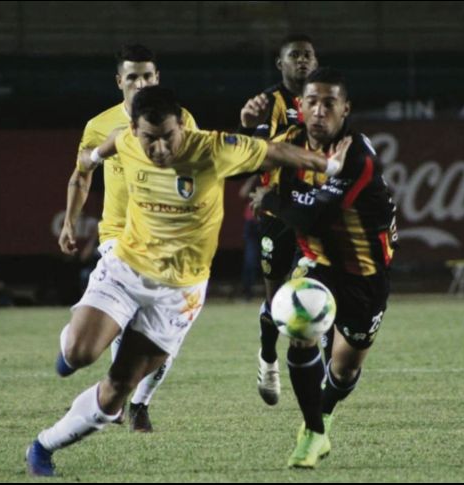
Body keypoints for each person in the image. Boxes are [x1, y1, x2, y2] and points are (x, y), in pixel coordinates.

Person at [26, 86, 340, 477]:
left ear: (182, 127)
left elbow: (275, 152)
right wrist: (89, 159)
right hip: (126, 268)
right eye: (149, 139)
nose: (158, 148)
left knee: (117, 390)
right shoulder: (125, 140)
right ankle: (69, 351)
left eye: (168, 137)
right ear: (134, 131)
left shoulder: (211, 148)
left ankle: (42, 446)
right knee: (79, 354)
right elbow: (101, 151)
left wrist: (327, 166)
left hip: (180, 292)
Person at [256, 68, 398, 468]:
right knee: (299, 331)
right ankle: (313, 431)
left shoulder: (358, 156)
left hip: (364, 273)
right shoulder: (287, 144)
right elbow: (249, 171)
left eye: (329, 103)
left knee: (345, 367)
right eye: (312, 102)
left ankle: (326, 410)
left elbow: (314, 217)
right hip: (317, 263)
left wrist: (274, 201)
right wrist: (247, 127)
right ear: (299, 106)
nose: (319, 111)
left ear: (345, 109)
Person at [57, 44, 199, 433]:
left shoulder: (181, 120)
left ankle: (138, 402)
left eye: (147, 76)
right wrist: (70, 221)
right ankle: (111, 389)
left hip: (167, 243)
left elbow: (196, 173)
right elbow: (82, 173)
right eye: (132, 76)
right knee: (131, 321)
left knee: (162, 339)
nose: (140, 83)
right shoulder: (100, 126)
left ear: (158, 79)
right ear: (120, 81)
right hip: (117, 235)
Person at [238, 34, 319, 405]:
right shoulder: (270, 103)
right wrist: (249, 125)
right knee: (274, 301)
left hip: (316, 210)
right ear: (280, 63)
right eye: (294, 55)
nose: (302, 61)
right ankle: (268, 359)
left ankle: (315, 370)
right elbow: (257, 156)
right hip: (277, 210)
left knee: (319, 290)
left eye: (307, 55)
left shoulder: (325, 99)